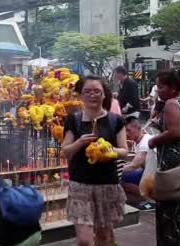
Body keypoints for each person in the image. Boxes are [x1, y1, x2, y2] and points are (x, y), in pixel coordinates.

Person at [61, 75, 128, 246]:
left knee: (104, 238)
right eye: (87, 91)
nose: (92, 95)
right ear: (81, 95)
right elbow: (65, 152)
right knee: (84, 240)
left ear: (104, 94)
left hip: (107, 185)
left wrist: (109, 152)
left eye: (97, 91)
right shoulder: (73, 120)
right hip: (80, 186)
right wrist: (79, 142)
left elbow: (124, 151)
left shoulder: (116, 120)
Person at [147, 69, 180, 246]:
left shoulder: (172, 104)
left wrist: (154, 141)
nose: (158, 90)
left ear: (173, 88)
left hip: (172, 161)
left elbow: (175, 132)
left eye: (161, 86)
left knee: (169, 207)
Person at [121, 116, 152, 198]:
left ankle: (146, 196)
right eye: (125, 131)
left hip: (152, 177)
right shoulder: (137, 141)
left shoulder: (145, 142)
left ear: (138, 128)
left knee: (121, 178)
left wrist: (115, 170)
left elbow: (134, 166)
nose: (126, 134)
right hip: (145, 172)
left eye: (128, 130)